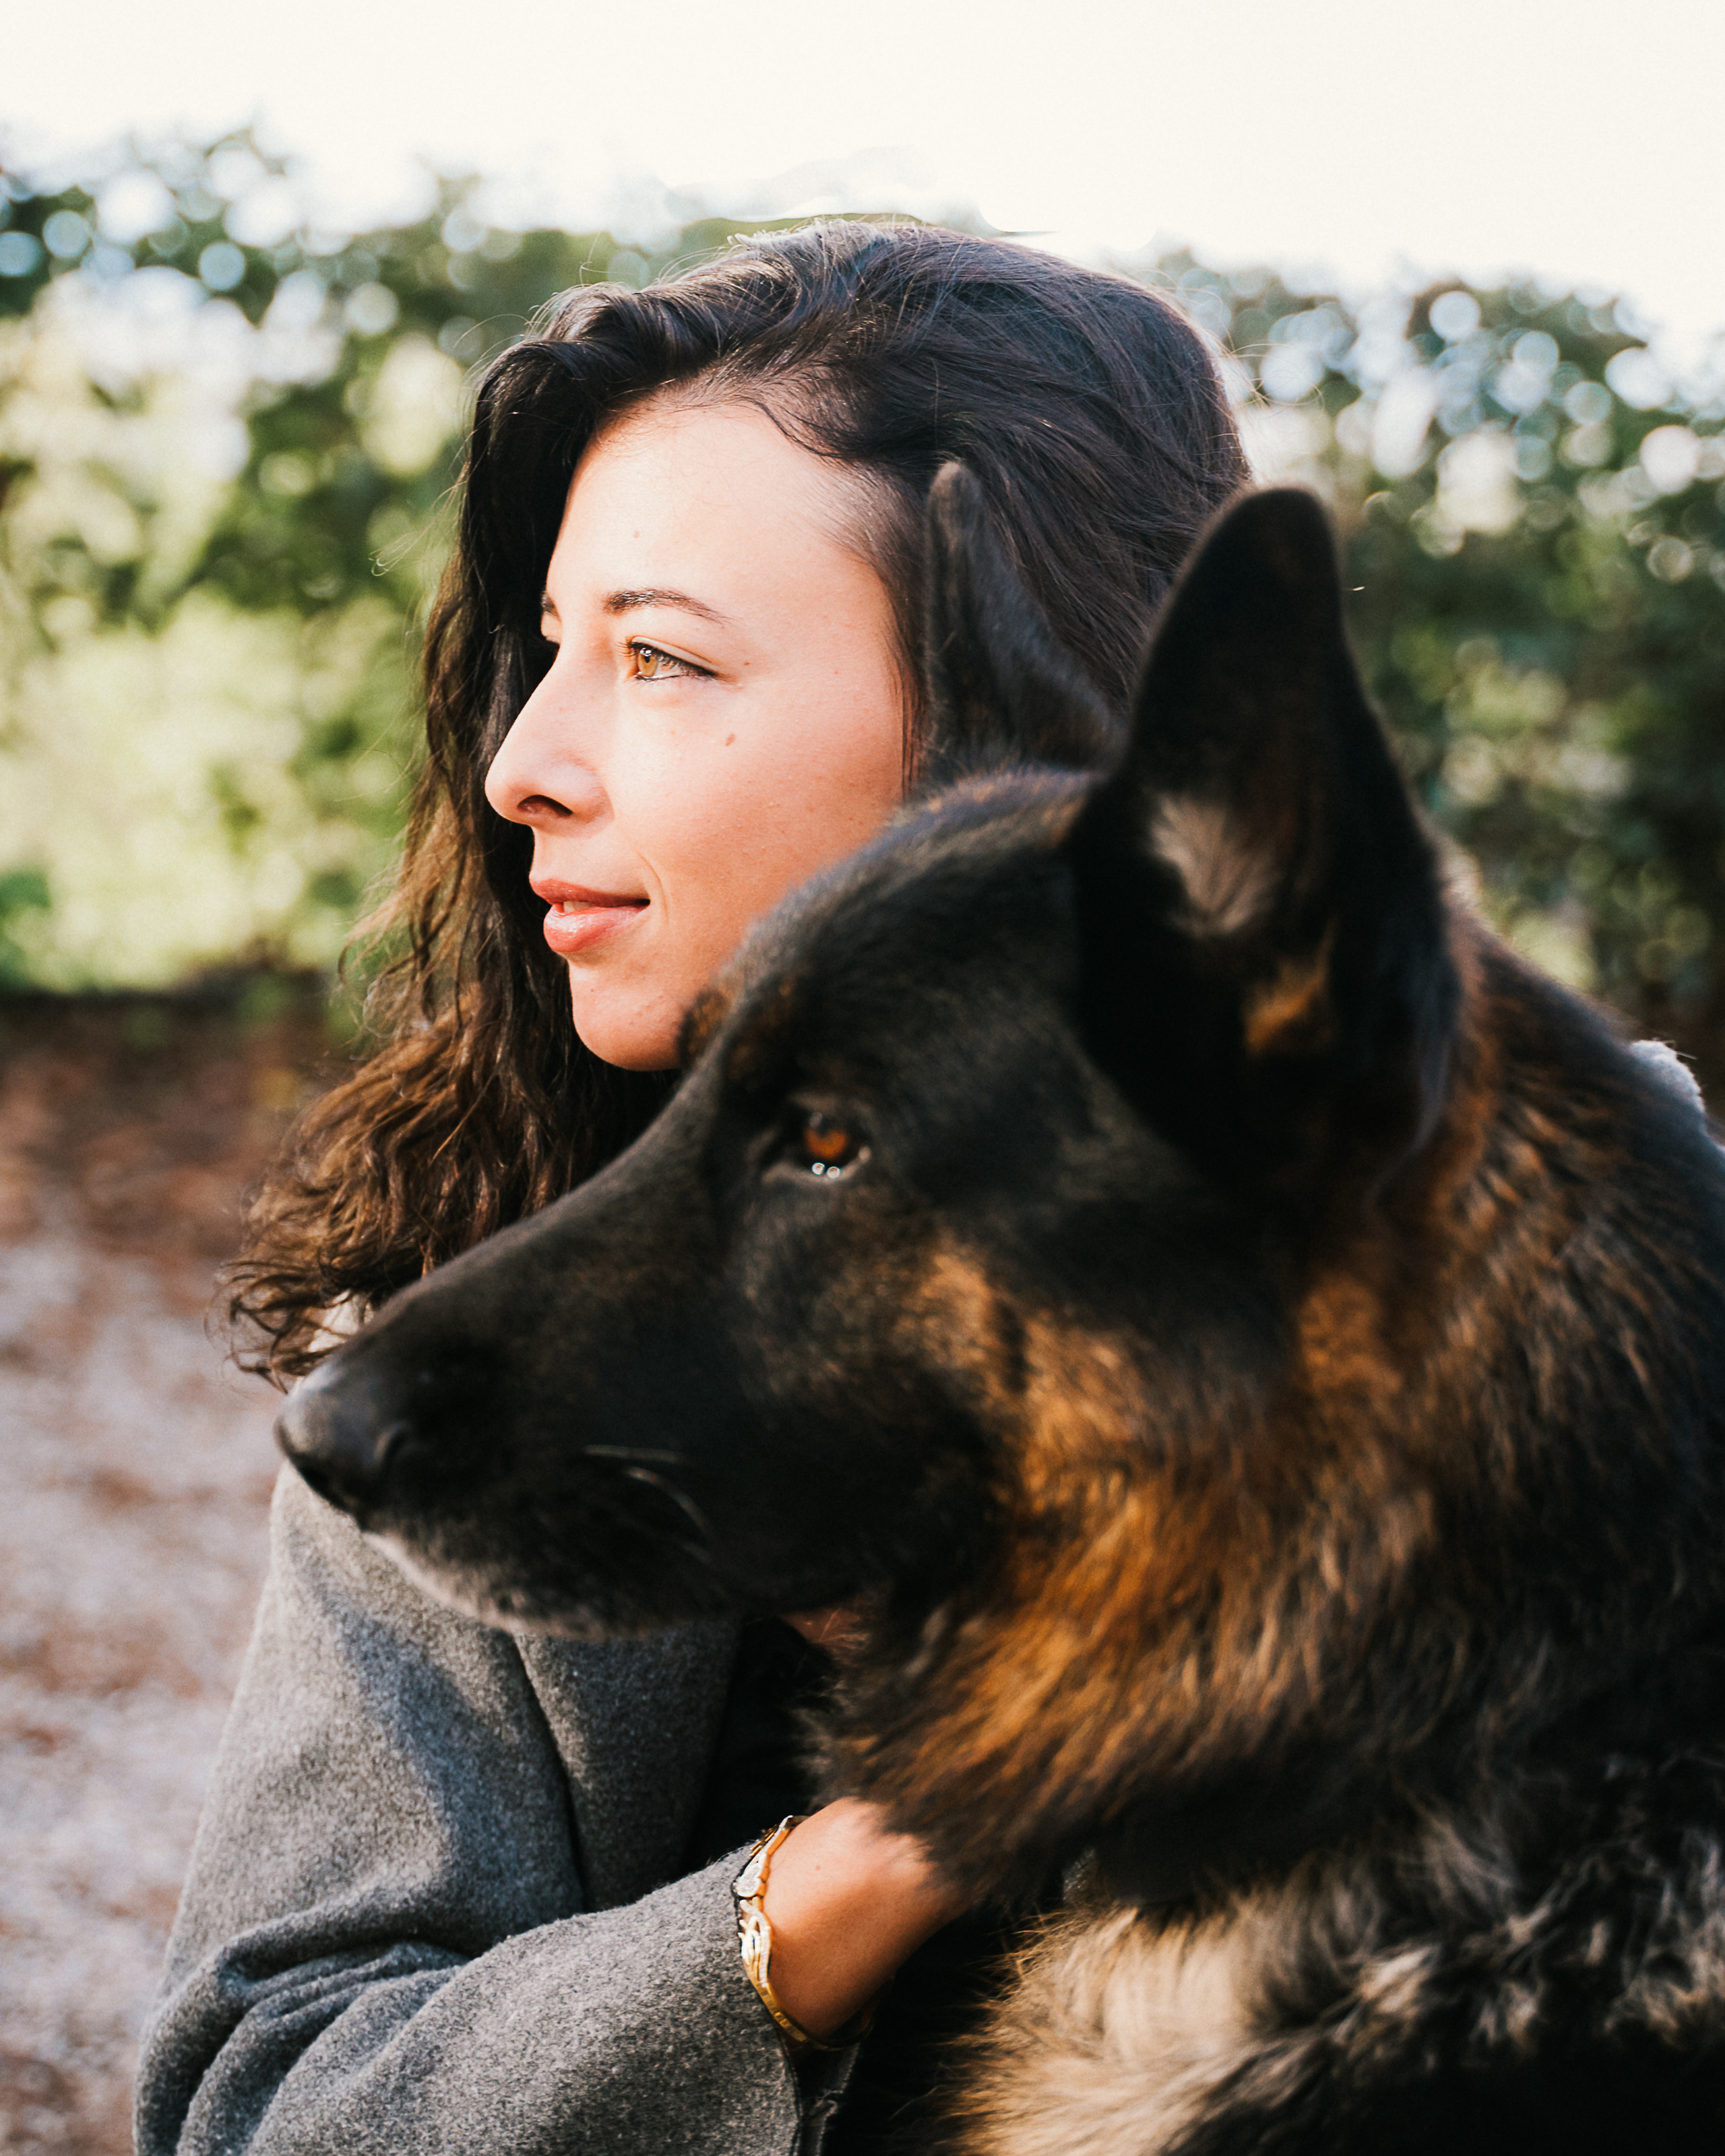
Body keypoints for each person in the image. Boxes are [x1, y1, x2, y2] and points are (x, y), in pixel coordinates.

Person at [136, 218, 1248, 2156]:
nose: (523, 763)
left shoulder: (1556, 1291)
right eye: (549, 652)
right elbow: (267, 2100)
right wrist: (864, 1868)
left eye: (657, 656)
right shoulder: (468, 1305)